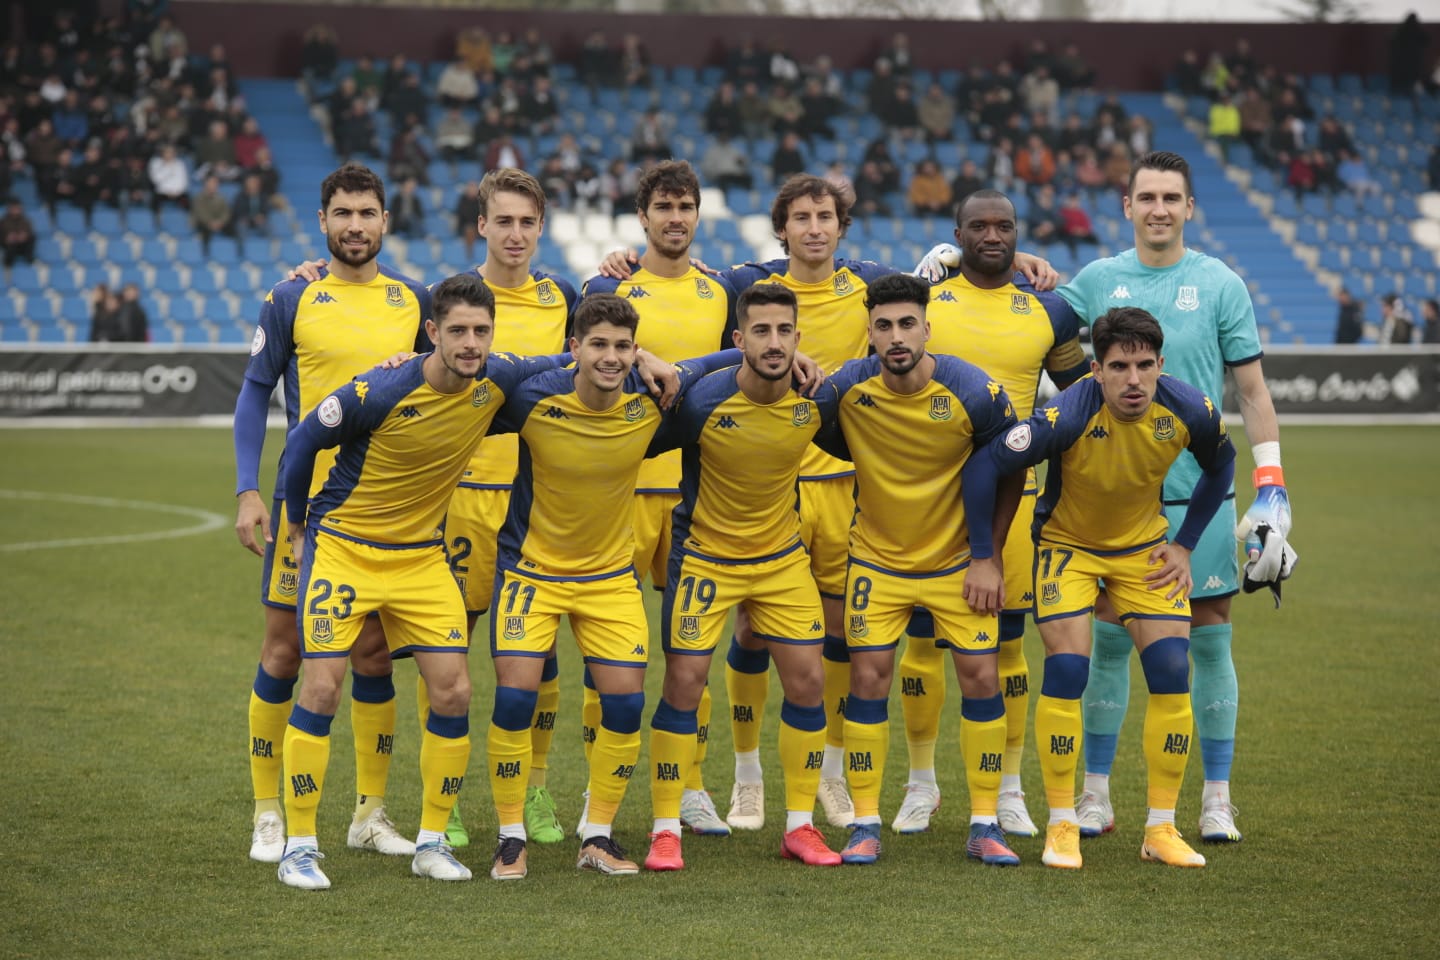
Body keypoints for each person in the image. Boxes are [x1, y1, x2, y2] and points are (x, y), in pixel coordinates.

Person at [273, 273, 573, 890]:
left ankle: (432, 842)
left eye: (481, 332)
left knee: (454, 692)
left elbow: (573, 358)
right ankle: (299, 846)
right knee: (323, 687)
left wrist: (646, 356)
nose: (470, 343)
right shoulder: (380, 388)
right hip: (346, 550)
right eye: (457, 331)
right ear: (432, 333)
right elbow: (303, 441)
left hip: (419, 559)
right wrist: (298, 523)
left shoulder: (497, 378)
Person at [1054, 151, 1290, 845]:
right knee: (1107, 641)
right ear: (1125, 207)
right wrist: (1008, 273)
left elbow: (1251, 393)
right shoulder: (1094, 280)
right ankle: (1095, 794)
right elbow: (1034, 324)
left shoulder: (1219, 283)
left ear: (1190, 208)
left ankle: (1216, 798)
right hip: (1104, 498)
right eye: (1147, 196)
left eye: (1172, 197)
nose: (1159, 208)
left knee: (1208, 639)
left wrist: (1272, 486)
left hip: (1199, 499)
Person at [983, 306, 1236, 870]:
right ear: (1096, 370)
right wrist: (987, 552)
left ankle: (1161, 829)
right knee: (1068, 671)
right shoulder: (1066, 414)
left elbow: (1223, 465)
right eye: (1119, 366)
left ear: (1160, 364)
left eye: (1145, 365)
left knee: (1173, 671)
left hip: (1143, 549)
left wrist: (1186, 544)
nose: (1133, 379)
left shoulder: (1189, 408)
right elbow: (997, 459)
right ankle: (1062, 823)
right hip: (1066, 549)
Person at [233, 164, 431, 867]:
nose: (355, 225)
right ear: (323, 221)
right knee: (285, 653)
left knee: (374, 657)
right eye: (342, 213)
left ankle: (369, 814)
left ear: (385, 221)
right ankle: (267, 812)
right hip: (302, 516)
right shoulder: (292, 296)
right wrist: (247, 489)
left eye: (367, 213)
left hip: (384, 516)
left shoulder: (416, 302)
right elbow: (255, 394)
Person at [482, 294, 716, 880]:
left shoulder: (651, 401)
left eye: (622, 347)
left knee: (625, 705)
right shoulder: (532, 396)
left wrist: (672, 364)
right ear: (574, 350)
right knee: (515, 699)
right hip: (530, 572)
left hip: (609, 578)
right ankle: (510, 837)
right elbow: (468, 367)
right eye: (598, 345)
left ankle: (598, 834)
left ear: (634, 351)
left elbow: (721, 366)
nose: (610, 358)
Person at [891, 190, 1089, 839]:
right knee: (923, 642)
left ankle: (1008, 789)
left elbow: (1083, 392)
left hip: (1013, 503)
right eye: (979, 225)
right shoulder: (927, 303)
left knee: (1006, 644)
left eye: (1004, 225)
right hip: (927, 503)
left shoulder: (1050, 311)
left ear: (1018, 233)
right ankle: (922, 784)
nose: (992, 235)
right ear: (957, 234)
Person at [813, 273, 1022, 867]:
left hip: (958, 564)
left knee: (982, 679)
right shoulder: (846, 390)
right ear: (869, 334)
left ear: (928, 328)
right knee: (867, 682)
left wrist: (989, 558)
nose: (896, 336)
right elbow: (817, 429)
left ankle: (984, 822)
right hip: (876, 563)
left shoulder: (973, 391)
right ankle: (865, 822)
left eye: (908, 324)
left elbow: (1012, 468)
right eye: (883, 326)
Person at [640, 282, 841, 872]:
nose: (774, 342)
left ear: (799, 338)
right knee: (684, 684)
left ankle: (799, 827)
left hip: (781, 559)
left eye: (784, 331)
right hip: (704, 556)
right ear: (739, 339)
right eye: (760, 331)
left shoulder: (816, 401)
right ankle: (663, 827)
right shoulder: (700, 403)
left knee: (807, 683)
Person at [580, 161, 739, 839]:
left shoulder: (721, 289)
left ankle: (693, 785)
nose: (675, 218)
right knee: (602, 656)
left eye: (686, 207)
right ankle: (599, 794)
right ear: (641, 218)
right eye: (664, 207)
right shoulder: (606, 286)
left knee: (688, 653)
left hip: (696, 495)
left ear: (698, 216)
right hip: (615, 493)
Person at [1, 196, 35, 267]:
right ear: (9, 208)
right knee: (10, 246)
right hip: (9, 246)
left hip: (23, 244)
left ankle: (29, 258)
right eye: (14, 208)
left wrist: (24, 235)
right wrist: (7, 238)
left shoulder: (25, 220)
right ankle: (8, 263)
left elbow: (29, 231)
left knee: (32, 238)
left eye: (17, 207)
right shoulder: (3, 221)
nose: (16, 210)